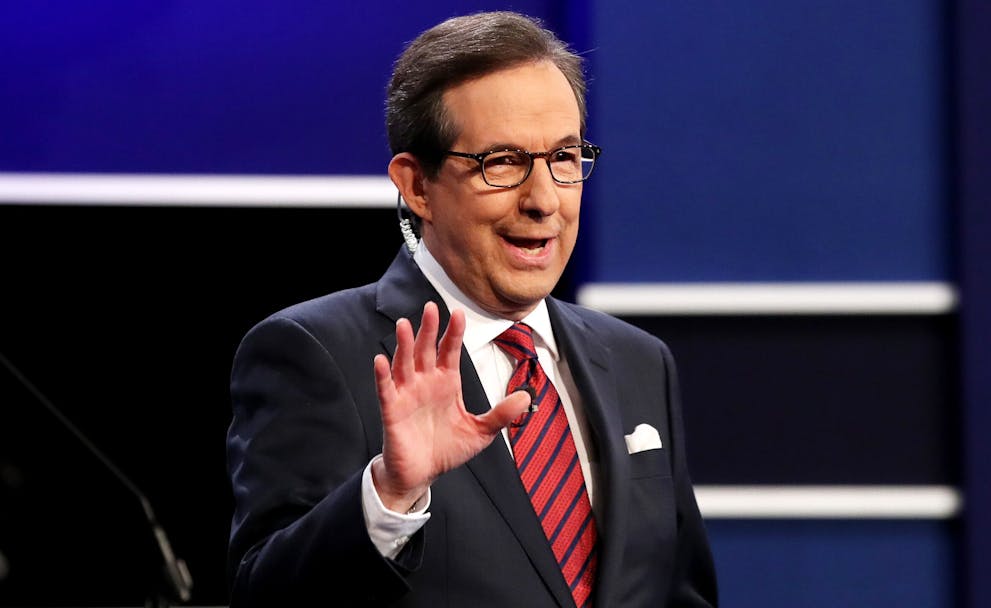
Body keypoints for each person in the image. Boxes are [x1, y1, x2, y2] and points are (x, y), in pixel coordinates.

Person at [225, 10, 717, 608]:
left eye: (564, 158)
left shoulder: (640, 361)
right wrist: (390, 495)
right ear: (417, 186)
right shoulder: (316, 352)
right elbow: (265, 597)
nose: (543, 201)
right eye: (502, 162)